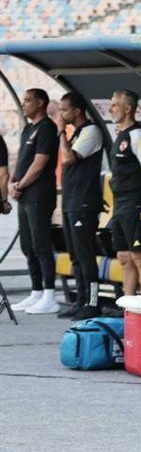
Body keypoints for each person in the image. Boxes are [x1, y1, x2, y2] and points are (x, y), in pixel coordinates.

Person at [55, 92, 105, 320]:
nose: (61, 114)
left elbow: (68, 159)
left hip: (83, 202)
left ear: (76, 111)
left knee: (85, 255)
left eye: (64, 110)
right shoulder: (76, 133)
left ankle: (93, 303)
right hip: (71, 201)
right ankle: (81, 300)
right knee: (75, 255)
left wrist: (60, 132)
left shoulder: (91, 131)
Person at [10, 89, 60, 314]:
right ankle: (36, 291)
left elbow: (39, 164)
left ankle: (50, 295)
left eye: (28, 100)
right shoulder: (28, 128)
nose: (24, 104)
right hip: (24, 195)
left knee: (41, 245)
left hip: (39, 195)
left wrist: (20, 185)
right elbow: (22, 158)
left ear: (40, 103)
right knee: (27, 245)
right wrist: (13, 181)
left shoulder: (47, 128)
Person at [108, 90, 141, 297]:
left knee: (140, 257)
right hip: (120, 204)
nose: (110, 109)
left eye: (114, 105)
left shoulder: (138, 135)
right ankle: (128, 305)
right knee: (124, 257)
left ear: (128, 108)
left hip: (135, 204)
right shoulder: (120, 134)